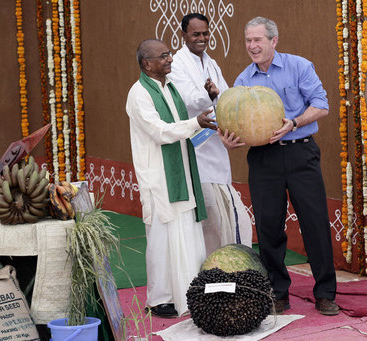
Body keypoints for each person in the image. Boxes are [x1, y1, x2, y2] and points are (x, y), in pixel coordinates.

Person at [219, 17, 339, 315]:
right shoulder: (243, 80)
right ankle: (279, 292)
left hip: (301, 153)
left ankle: (325, 293)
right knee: (269, 227)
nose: (252, 46)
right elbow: (238, 122)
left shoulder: (299, 66)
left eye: (258, 40)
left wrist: (294, 123)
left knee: (315, 225)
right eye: (248, 40)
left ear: (274, 41)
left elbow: (321, 105)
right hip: (263, 159)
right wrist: (230, 139)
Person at [125, 39, 217, 318]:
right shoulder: (139, 93)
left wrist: (201, 117)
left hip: (182, 173)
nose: (170, 59)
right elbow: (160, 131)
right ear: (146, 63)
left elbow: (183, 124)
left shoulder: (170, 87)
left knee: (187, 232)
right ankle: (161, 298)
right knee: (162, 238)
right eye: (163, 56)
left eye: (169, 54)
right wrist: (194, 124)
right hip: (159, 178)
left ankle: (190, 293)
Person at [168, 13, 253, 256]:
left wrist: (219, 97)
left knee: (229, 216)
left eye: (205, 33)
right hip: (195, 149)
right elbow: (188, 101)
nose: (202, 38)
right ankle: (210, 271)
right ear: (184, 35)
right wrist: (210, 94)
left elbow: (224, 97)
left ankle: (231, 266)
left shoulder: (211, 62)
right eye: (196, 34)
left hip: (217, 146)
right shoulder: (177, 64)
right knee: (210, 217)